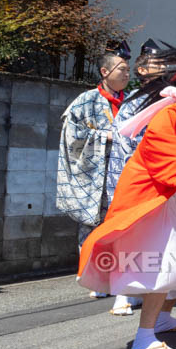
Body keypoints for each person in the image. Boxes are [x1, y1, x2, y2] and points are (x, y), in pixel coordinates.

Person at [77, 48, 176, 349]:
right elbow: (166, 148)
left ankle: (164, 318)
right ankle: (145, 335)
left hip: (174, 193)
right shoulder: (171, 112)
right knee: (167, 263)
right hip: (155, 194)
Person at [101, 39, 167, 316]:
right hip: (136, 175)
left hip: (156, 177)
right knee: (132, 236)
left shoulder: (163, 98)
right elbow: (132, 142)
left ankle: (139, 291)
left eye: (164, 63)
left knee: (152, 241)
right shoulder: (137, 100)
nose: (162, 67)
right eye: (155, 63)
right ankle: (123, 294)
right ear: (141, 70)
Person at [57, 50, 130, 299]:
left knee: (124, 231)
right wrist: (104, 136)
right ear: (105, 72)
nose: (127, 74)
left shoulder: (132, 102)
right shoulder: (85, 101)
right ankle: (95, 279)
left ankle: (122, 282)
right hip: (95, 178)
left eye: (129, 70)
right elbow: (71, 137)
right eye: (122, 69)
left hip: (125, 176)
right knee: (93, 229)